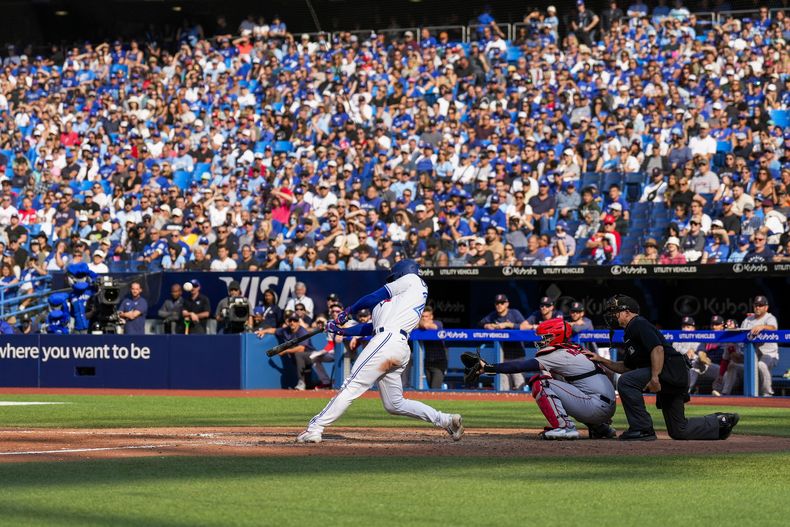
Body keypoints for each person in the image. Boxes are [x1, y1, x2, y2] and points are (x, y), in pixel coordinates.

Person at [295, 259, 463, 443]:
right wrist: (341, 330)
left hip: (388, 340)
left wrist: (348, 310)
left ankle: (315, 427)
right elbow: (370, 328)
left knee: (351, 385)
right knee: (394, 404)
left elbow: (376, 294)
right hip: (395, 346)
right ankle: (446, 420)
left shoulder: (413, 280)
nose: (392, 280)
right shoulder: (396, 303)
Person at [588, 294, 740, 441]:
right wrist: (601, 359)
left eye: (615, 312)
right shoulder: (630, 330)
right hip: (672, 373)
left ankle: (642, 429)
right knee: (679, 430)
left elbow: (658, 349)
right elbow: (626, 367)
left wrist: (655, 377)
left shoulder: (637, 323)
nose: (612, 316)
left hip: (671, 372)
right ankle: (720, 423)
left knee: (626, 381)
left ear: (627, 312)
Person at [464, 318, 616, 440]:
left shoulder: (557, 353)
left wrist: (487, 368)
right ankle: (600, 428)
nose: (542, 340)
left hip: (595, 406)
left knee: (541, 383)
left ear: (556, 336)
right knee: (556, 378)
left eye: (546, 337)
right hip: (603, 404)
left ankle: (565, 427)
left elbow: (520, 366)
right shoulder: (576, 348)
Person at [479, 294, 527, 390]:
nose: (499, 305)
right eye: (497, 303)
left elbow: (525, 326)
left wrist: (507, 325)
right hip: (502, 356)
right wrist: (487, 326)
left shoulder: (514, 313)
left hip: (517, 355)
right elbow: (481, 323)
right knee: (504, 388)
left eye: (502, 303)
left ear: (507, 304)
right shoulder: (493, 315)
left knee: (519, 385)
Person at [740, 296, 779, 397]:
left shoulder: (769, 317)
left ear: (766, 307)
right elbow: (740, 333)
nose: (757, 307)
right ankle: (726, 394)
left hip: (769, 354)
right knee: (734, 366)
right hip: (751, 354)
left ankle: (767, 393)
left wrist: (763, 326)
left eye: (761, 305)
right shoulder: (748, 319)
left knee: (761, 365)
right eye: (756, 305)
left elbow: (773, 328)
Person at [418, 306, 448, 389]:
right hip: (428, 362)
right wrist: (420, 324)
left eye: (426, 316)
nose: (424, 318)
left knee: (435, 389)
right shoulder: (421, 327)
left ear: (431, 317)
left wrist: (421, 324)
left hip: (439, 362)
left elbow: (429, 326)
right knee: (430, 389)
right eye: (422, 316)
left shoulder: (438, 323)